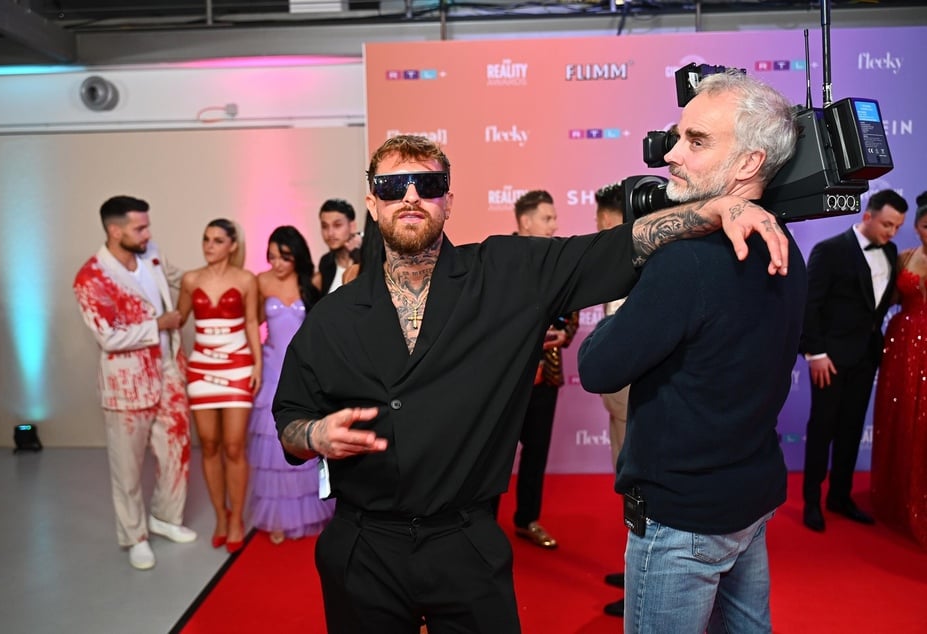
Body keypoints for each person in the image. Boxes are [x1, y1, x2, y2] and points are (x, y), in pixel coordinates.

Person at [273, 133, 791, 633]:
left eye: (428, 186)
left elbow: (617, 246)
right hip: (363, 547)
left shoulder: (508, 272)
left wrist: (715, 208)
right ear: (373, 200)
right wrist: (315, 436)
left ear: (448, 200)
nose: (411, 197)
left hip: (465, 544)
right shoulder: (331, 318)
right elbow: (289, 422)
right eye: (392, 187)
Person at [578, 70, 805, 633]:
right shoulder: (785, 243)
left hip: (683, 519)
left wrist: (638, 275)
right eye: (677, 136)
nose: (672, 154)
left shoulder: (687, 263)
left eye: (697, 141)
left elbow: (597, 367)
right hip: (748, 500)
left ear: (750, 163)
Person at [72, 195, 196, 571]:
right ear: (115, 230)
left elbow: (180, 279)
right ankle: (135, 535)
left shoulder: (151, 253)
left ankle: (165, 517)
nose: (148, 233)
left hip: (168, 374)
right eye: (140, 227)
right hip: (126, 386)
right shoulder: (91, 278)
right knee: (127, 468)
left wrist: (216, 274)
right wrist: (157, 325)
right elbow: (107, 337)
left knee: (177, 453)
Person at [801, 189, 908, 532]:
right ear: (867, 216)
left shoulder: (890, 251)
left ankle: (840, 496)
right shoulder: (829, 250)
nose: (892, 233)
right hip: (829, 359)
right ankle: (812, 501)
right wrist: (815, 353)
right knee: (822, 430)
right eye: (887, 225)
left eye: (897, 226)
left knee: (850, 429)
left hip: (866, 357)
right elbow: (809, 306)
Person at [177, 218, 262, 553]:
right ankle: (221, 517)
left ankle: (237, 517)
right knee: (209, 445)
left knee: (233, 446)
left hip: (237, 365)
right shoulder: (190, 279)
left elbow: (253, 322)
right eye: (205, 239)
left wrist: (257, 365)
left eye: (216, 240)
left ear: (232, 245)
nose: (208, 246)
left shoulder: (245, 280)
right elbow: (178, 319)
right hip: (201, 366)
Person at [247, 225, 335, 544]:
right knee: (272, 446)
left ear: (296, 256)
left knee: (303, 438)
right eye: (271, 257)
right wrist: (255, 364)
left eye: (283, 257)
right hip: (271, 367)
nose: (276, 264)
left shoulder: (312, 281)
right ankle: (279, 519)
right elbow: (251, 323)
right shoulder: (261, 281)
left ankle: (312, 509)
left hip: (301, 368)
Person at [502, 189, 578, 550]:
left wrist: (564, 333)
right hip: (505, 381)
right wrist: (527, 338)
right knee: (494, 455)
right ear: (525, 221)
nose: (555, 225)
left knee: (535, 454)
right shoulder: (499, 260)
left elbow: (572, 312)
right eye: (547, 218)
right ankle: (481, 525)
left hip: (545, 377)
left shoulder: (559, 261)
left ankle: (527, 520)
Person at [871, 192, 927, 548]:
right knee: (899, 413)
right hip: (901, 340)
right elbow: (889, 298)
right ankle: (896, 493)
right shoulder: (905, 255)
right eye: (925, 225)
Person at [593, 181, 629, 617]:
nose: (600, 230)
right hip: (618, 400)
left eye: (606, 223)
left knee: (638, 490)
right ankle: (635, 564)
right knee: (627, 488)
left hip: (636, 397)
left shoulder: (648, 265)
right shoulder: (613, 261)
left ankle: (644, 576)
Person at [313, 198, 363, 295]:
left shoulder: (368, 258)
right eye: (325, 226)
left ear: (352, 226)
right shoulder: (326, 262)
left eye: (337, 225)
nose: (330, 233)